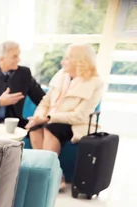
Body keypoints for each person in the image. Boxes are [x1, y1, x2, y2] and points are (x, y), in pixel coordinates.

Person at [26, 44, 104, 190]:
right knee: (34, 127)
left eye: (67, 58)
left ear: (79, 61)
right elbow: (45, 102)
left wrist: (48, 118)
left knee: (51, 128)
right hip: (50, 119)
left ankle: (49, 175)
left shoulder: (95, 82)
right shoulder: (61, 75)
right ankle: (50, 173)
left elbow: (79, 116)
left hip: (75, 124)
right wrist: (39, 117)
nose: (62, 62)